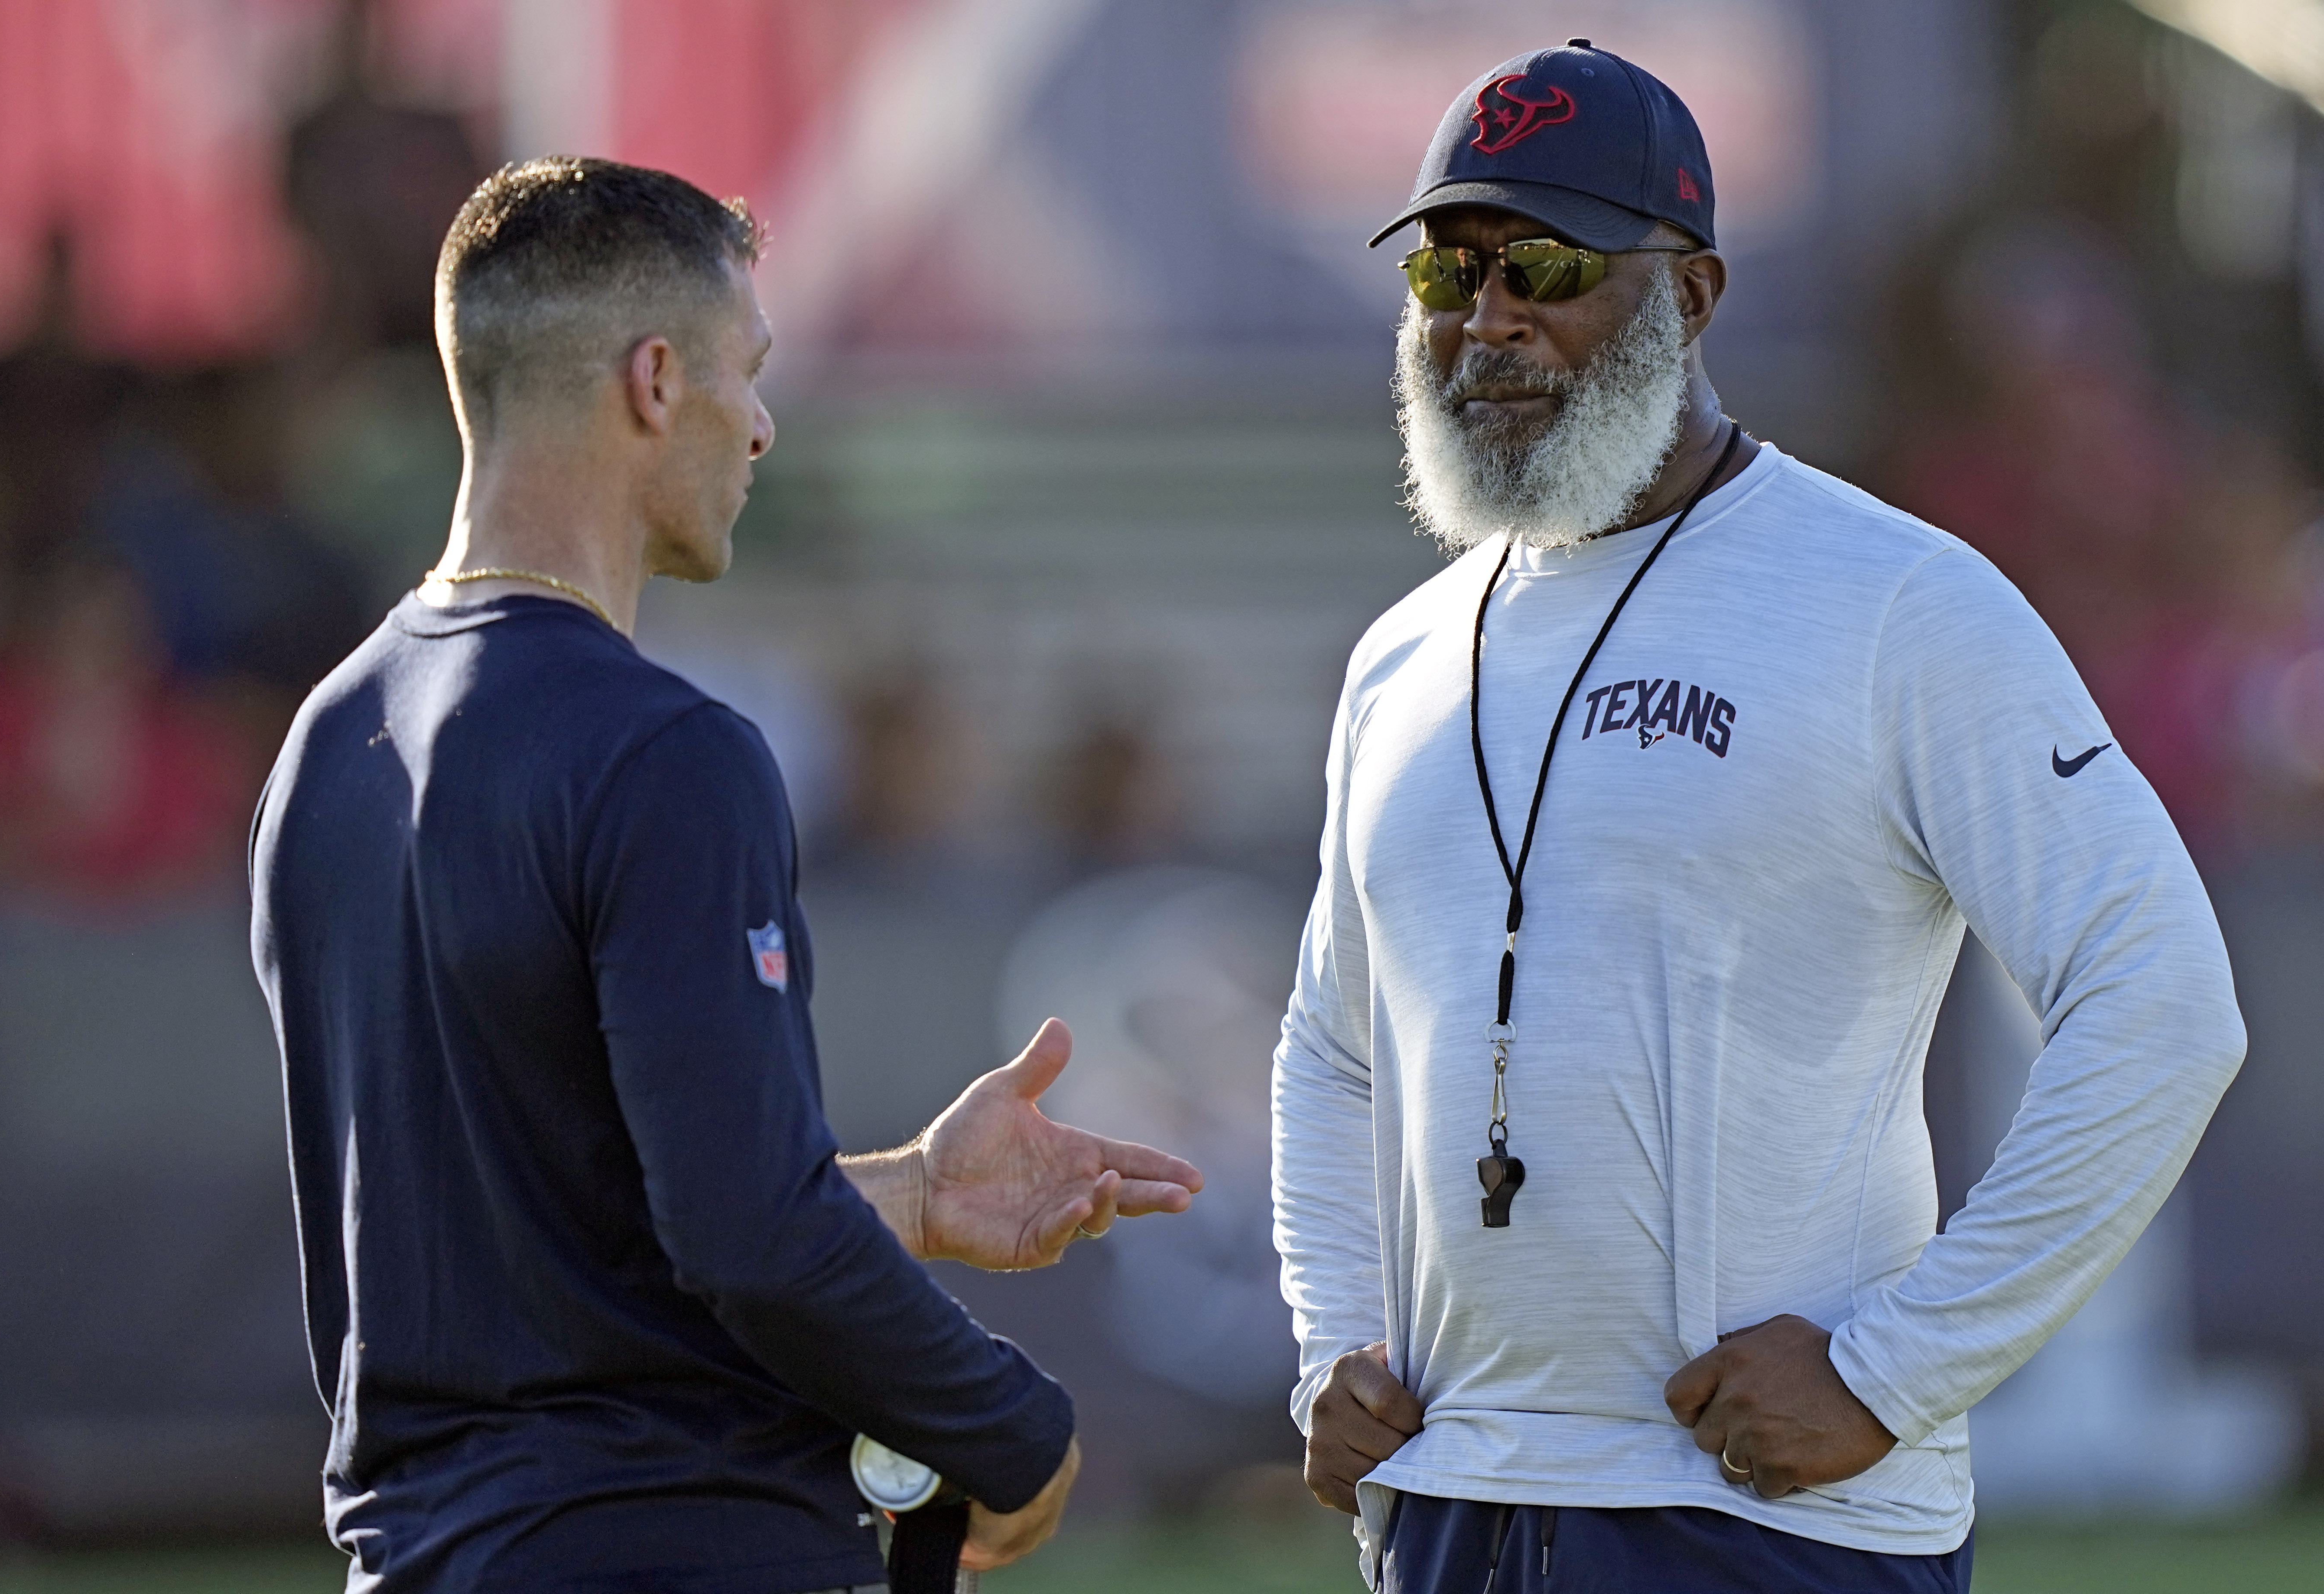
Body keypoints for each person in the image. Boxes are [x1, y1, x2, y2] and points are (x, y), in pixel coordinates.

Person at [1271, 42, 2243, 1594]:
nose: (1487, 317)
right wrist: (1333, 1347)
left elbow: (2165, 1002)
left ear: (1695, 295)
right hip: (1455, 1508)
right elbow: (1332, 1051)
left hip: (1767, 1522)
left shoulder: (1895, 603)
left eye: (1544, 263)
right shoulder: (1399, 653)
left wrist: (1894, 1372)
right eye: (1447, 274)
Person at [249, 158, 1203, 1594]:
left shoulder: (322, 748)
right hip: (670, 1545)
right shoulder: (667, 753)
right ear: (652, 381)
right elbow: (747, 1240)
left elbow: (560, 1223)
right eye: (747, 375)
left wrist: (911, 1193)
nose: (761, 427)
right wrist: (1016, 1432)